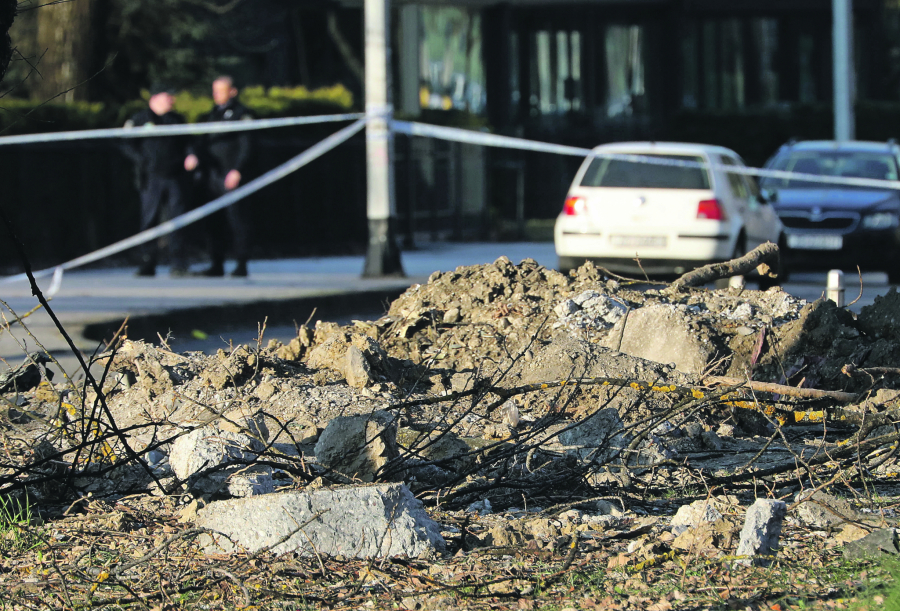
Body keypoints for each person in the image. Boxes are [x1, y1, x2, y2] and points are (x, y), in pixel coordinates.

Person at [185, 75, 253, 277]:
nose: (216, 95)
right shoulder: (210, 115)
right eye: (214, 91)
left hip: (231, 174)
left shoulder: (243, 115)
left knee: (237, 220)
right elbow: (202, 143)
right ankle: (217, 263)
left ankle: (241, 264)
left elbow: (246, 145)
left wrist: (238, 169)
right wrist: (194, 156)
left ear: (232, 91)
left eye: (221, 91)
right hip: (211, 176)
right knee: (214, 221)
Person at [122, 83, 190, 277]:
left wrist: (191, 155)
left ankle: (178, 263)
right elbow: (126, 144)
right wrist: (143, 161)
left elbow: (188, 143)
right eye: (168, 96)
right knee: (149, 221)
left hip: (175, 176)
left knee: (178, 219)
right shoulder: (139, 120)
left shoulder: (177, 120)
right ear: (156, 98)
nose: (172, 100)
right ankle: (147, 263)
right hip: (151, 178)